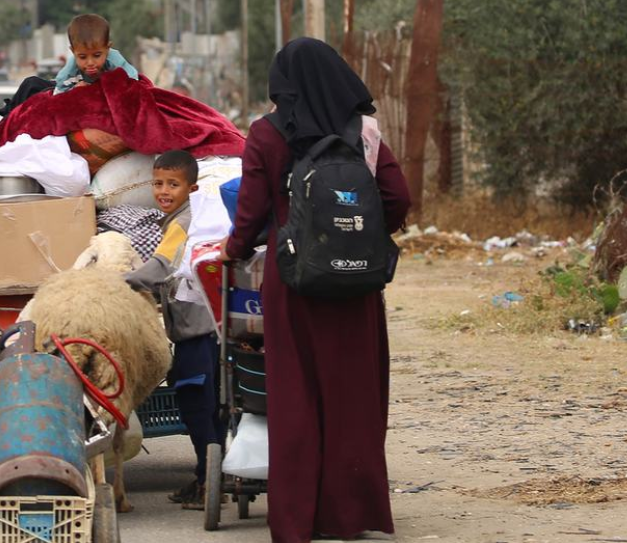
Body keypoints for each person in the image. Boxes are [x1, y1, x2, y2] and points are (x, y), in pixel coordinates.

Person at [222, 38, 411, 543]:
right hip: (356, 283)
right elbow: (398, 197)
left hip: (296, 282)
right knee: (354, 395)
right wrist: (364, 232)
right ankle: (349, 515)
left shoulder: (266, 133)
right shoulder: (364, 130)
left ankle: (297, 520)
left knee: (296, 399)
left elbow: (252, 210)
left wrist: (234, 250)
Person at [123, 150, 223, 510]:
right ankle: (207, 476)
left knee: (196, 402)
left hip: (197, 331)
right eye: (158, 183)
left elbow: (162, 266)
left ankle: (209, 481)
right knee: (210, 405)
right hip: (207, 328)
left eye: (173, 185)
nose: (163, 191)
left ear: (191, 188)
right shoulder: (187, 217)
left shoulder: (183, 222)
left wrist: (118, 283)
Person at [53, 13, 139, 94]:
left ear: (107, 48)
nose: (90, 63)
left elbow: (135, 81)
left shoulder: (115, 61)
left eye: (97, 55)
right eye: (83, 57)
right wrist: (74, 91)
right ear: (73, 52)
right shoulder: (69, 71)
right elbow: (57, 95)